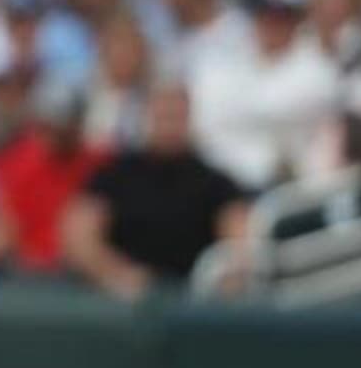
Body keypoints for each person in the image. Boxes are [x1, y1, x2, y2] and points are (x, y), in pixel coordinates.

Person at [61, 86, 247, 300]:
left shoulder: (214, 182)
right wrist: (115, 274)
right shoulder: (114, 175)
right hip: (120, 301)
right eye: (162, 116)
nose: (168, 125)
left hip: (192, 300)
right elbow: (79, 235)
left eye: (175, 116)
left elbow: (239, 240)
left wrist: (224, 279)